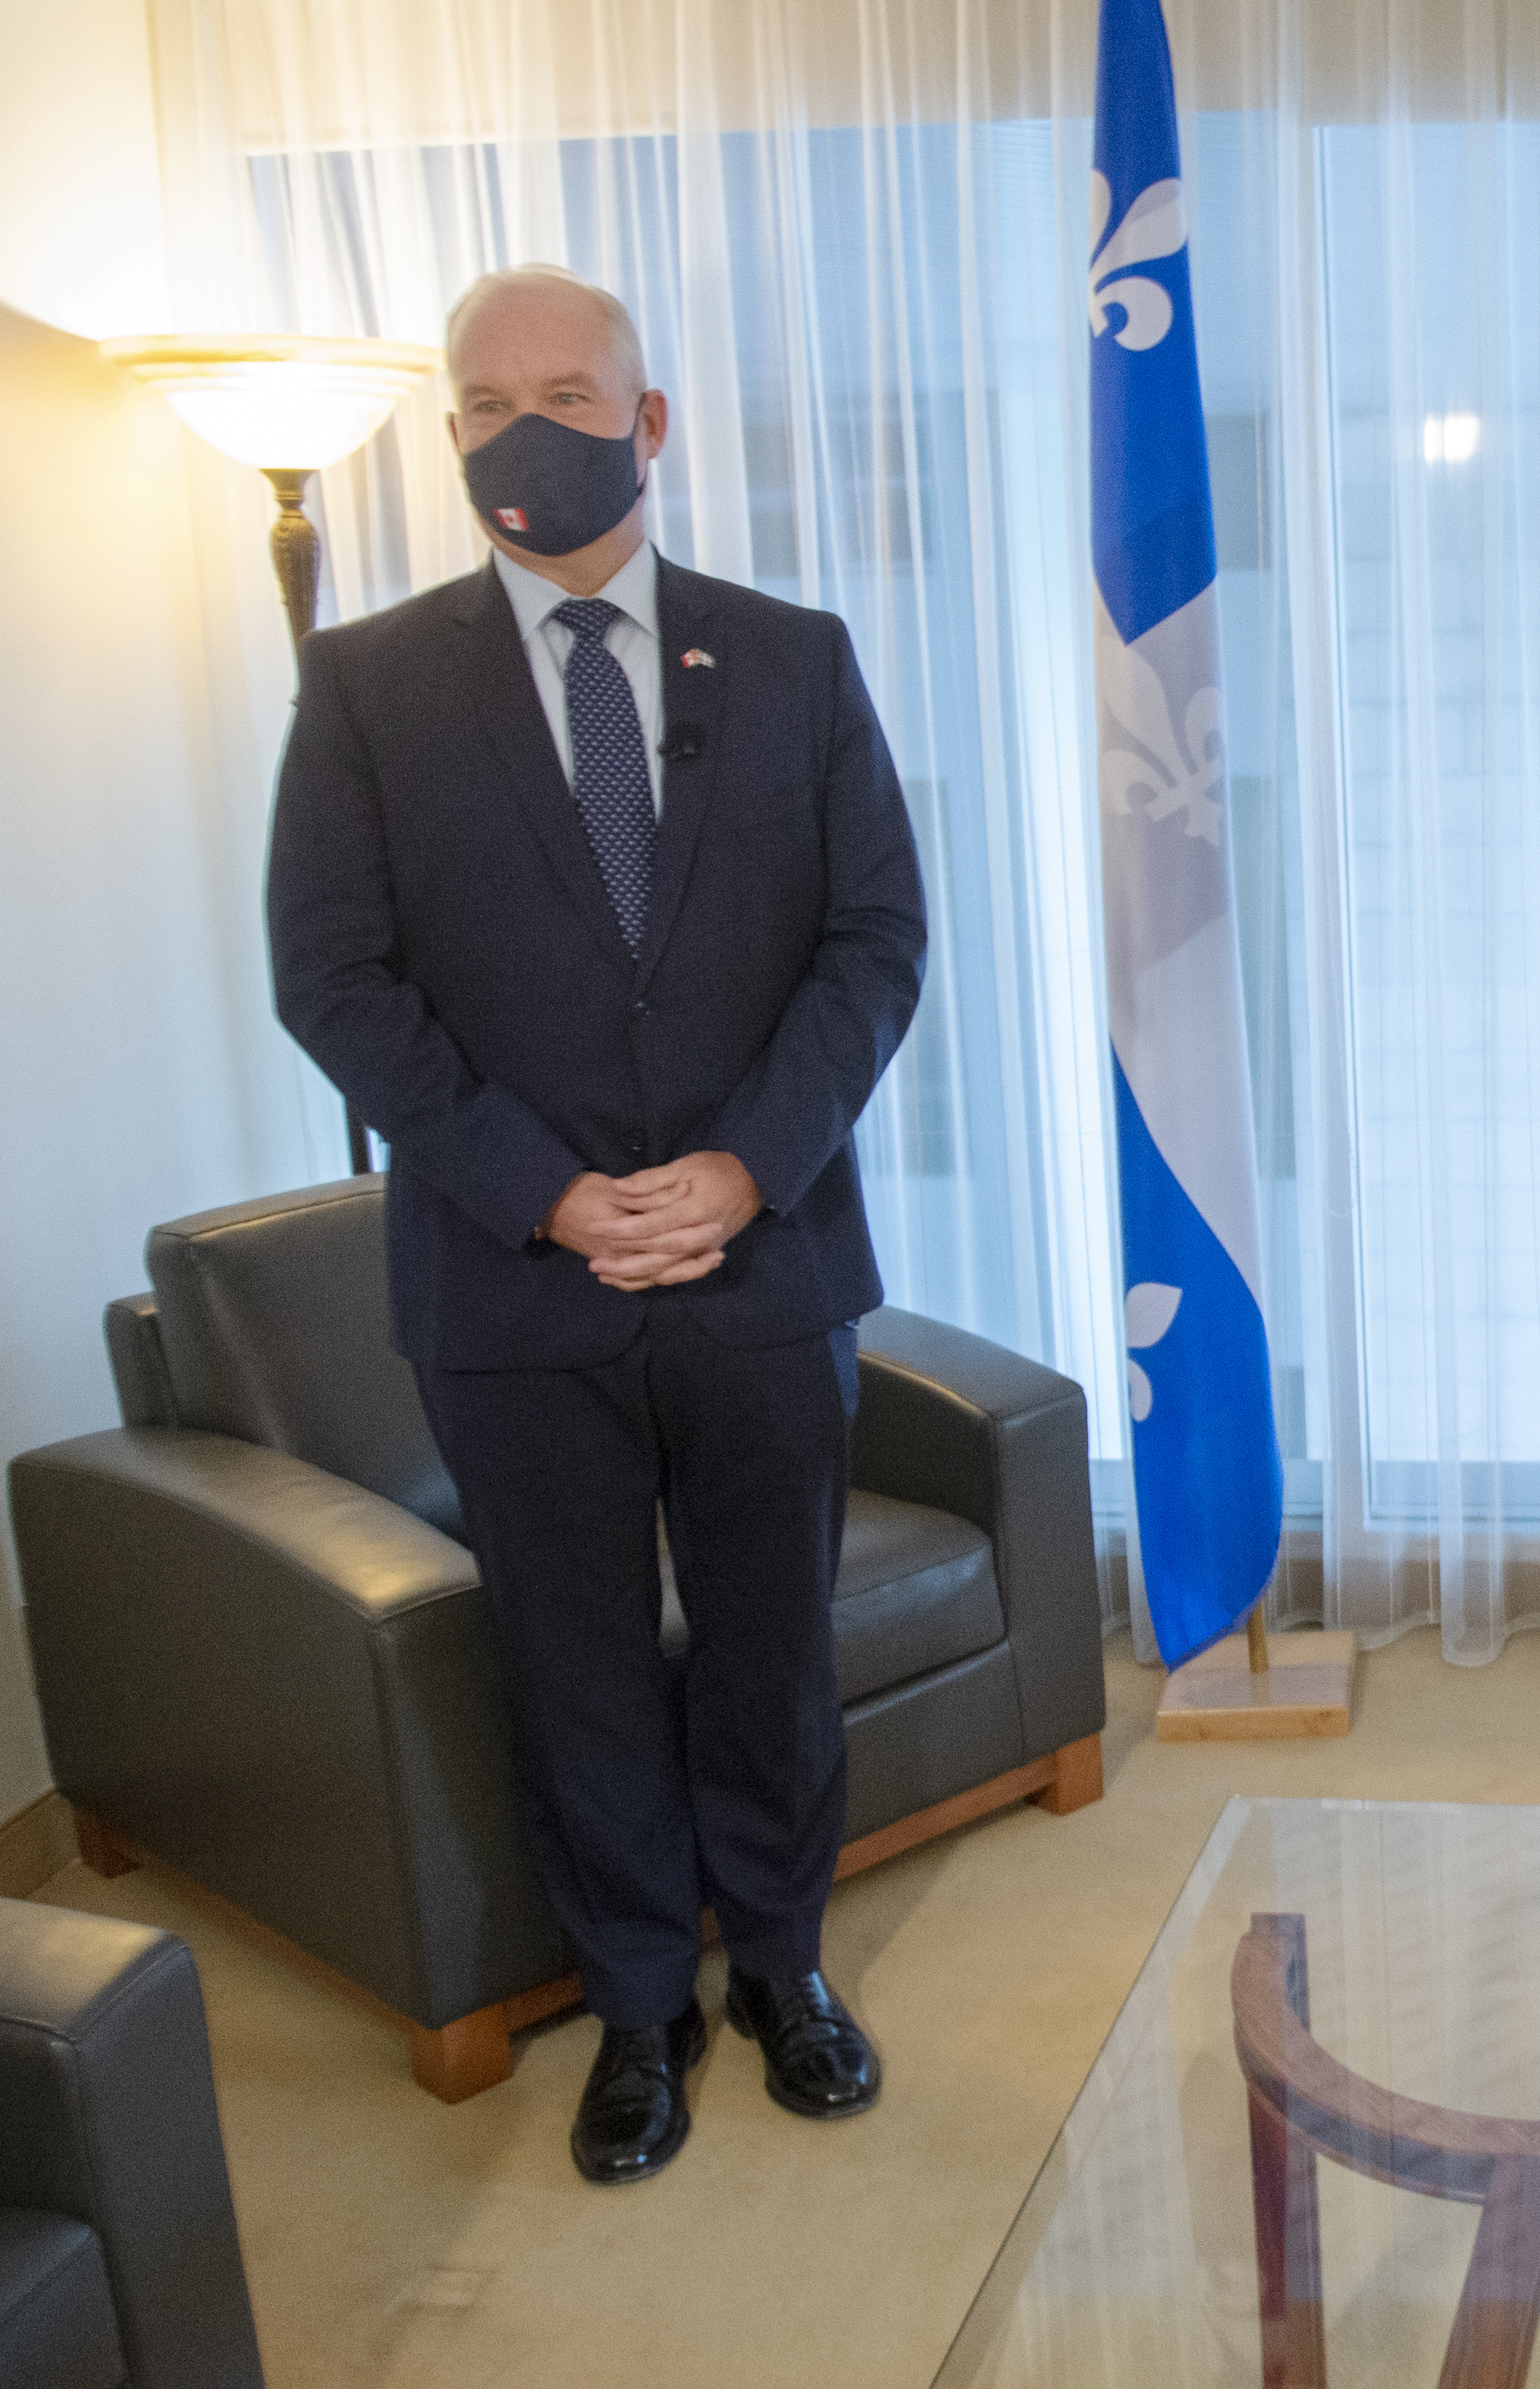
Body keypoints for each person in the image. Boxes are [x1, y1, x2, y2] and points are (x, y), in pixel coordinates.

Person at [267, 265, 928, 2185]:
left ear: (649, 424)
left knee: (766, 1645)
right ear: (452, 434)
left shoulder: (792, 656)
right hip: (507, 1281)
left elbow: (872, 943)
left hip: (765, 1257)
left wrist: (745, 1164)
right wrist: (542, 1191)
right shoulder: (367, 685)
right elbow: (334, 979)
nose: (520, 426)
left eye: (567, 391)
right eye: (482, 402)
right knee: (566, 1663)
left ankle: (781, 1969)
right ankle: (637, 2004)